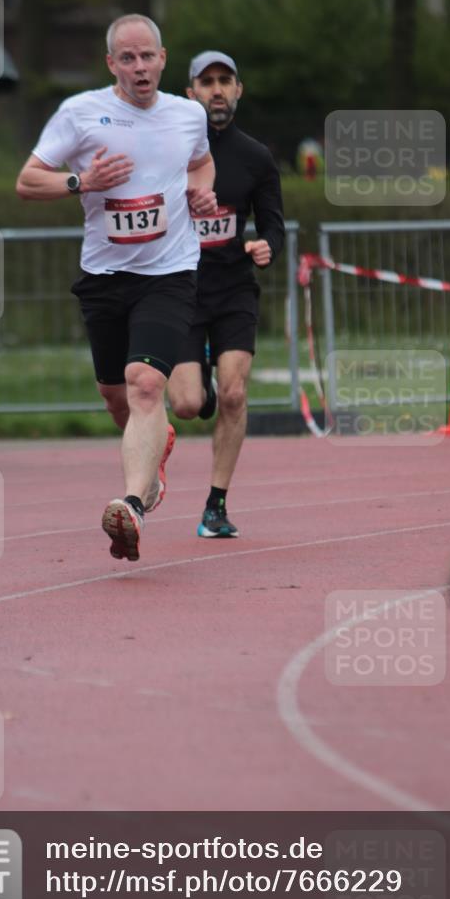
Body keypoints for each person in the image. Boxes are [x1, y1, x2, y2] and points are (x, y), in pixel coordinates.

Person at [16, 15, 217, 561]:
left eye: (147, 56)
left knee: (144, 383)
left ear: (163, 58)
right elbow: (28, 180)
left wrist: (202, 194)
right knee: (115, 396)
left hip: (170, 273)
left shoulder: (188, 114)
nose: (139, 67)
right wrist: (82, 182)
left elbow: (201, 165)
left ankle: (132, 502)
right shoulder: (80, 114)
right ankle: (156, 448)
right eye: (127, 58)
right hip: (105, 276)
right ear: (112, 65)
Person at [167, 51, 285, 538]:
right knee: (189, 405)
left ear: (239, 90)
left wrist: (265, 247)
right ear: (190, 91)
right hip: (180, 287)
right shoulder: (171, 150)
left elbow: (274, 226)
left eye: (225, 81)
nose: (217, 89)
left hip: (234, 285)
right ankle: (202, 388)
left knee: (236, 394)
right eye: (207, 81)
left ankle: (215, 506)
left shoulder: (255, 157)